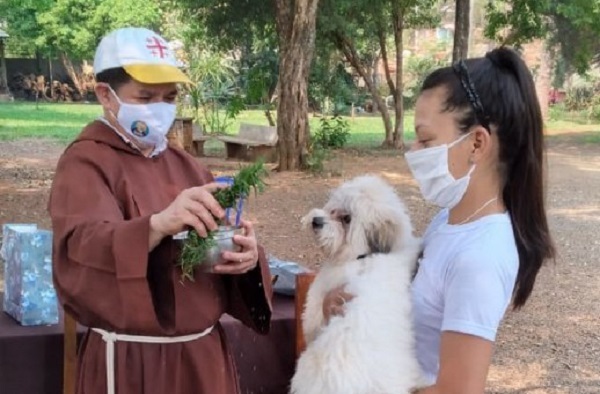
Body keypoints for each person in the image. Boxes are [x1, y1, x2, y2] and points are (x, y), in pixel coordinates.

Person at [48, 27, 272, 394]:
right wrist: (156, 226)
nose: (160, 108)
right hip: (135, 365)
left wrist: (245, 258)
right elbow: (82, 246)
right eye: (146, 96)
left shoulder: (187, 166)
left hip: (203, 358)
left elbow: (209, 241)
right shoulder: (85, 162)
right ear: (106, 94)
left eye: (169, 97)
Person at [323, 47, 555, 393]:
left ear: (477, 143)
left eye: (426, 139)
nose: (413, 151)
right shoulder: (449, 222)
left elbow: (457, 390)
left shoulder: (481, 258)